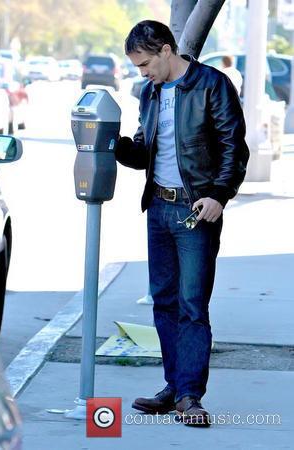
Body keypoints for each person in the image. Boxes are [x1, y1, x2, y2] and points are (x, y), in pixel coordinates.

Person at [116, 20, 249, 427]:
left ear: (166, 51)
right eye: (137, 68)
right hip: (158, 207)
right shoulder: (150, 93)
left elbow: (233, 146)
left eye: (144, 64)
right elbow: (144, 148)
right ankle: (173, 386)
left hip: (196, 210)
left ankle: (191, 395)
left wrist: (219, 195)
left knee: (192, 306)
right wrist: (112, 145)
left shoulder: (212, 84)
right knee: (164, 303)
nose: (142, 74)